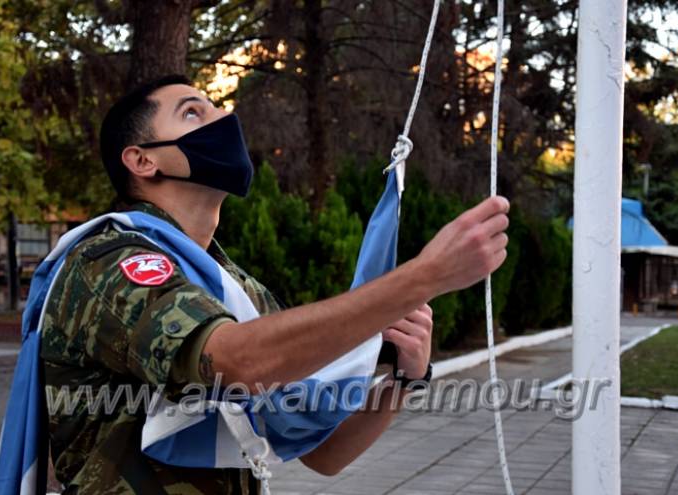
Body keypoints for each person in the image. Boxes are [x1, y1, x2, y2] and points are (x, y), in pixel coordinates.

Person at [41, 74, 510, 494]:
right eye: (192, 112)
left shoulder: (236, 289)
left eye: (217, 106)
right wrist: (424, 275)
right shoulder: (109, 259)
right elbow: (232, 361)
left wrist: (405, 378)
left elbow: (322, 453)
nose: (226, 117)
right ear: (142, 160)